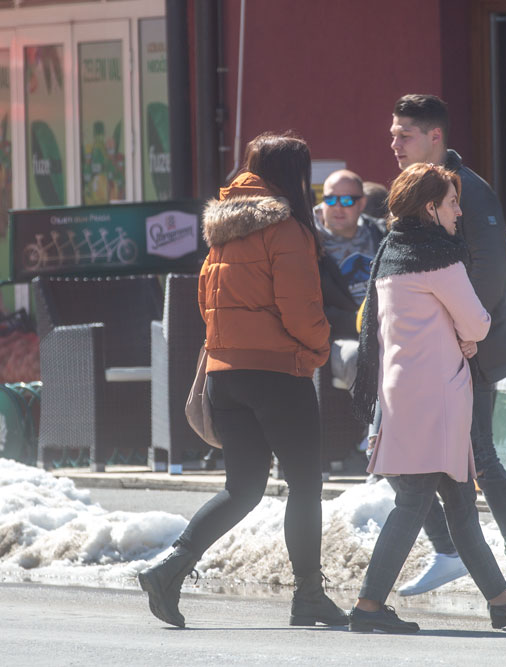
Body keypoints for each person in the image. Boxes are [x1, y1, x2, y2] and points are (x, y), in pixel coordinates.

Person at [137, 132, 343, 628]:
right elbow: (301, 309)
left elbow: (205, 303)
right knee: (305, 485)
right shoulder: (287, 229)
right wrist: (318, 349)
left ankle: (170, 567)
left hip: (225, 375)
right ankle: (309, 596)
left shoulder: (223, 231)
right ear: (293, 176)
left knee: (243, 488)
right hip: (277, 372)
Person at [350, 163, 506, 633]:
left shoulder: (391, 252)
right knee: (414, 500)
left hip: (403, 392)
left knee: (459, 502)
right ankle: (368, 606)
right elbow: (476, 321)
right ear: (430, 207)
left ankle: (501, 601)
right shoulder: (440, 259)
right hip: (437, 395)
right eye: (453, 203)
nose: (460, 212)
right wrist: (467, 337)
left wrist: (459, 335)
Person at [386, 94, 506, 597]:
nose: (394, 144)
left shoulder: (468, 190)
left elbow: (491, 273)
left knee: (480, 458)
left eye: (404, 134)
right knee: (400, 457)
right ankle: (448, 552)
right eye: (393, 134)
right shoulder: (415, 187)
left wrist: (460, 334)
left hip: (470, 347)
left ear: (435, 136)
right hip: (428, 353)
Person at [314, 169, 387, 389]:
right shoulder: (308, 242)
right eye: (330, 199)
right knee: (358, 356)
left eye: (346, 200)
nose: (337, 207)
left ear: (361, 203)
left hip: (386, 330)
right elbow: (308, 307)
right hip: (338, 338)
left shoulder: (381, 234)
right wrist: (358, 321)